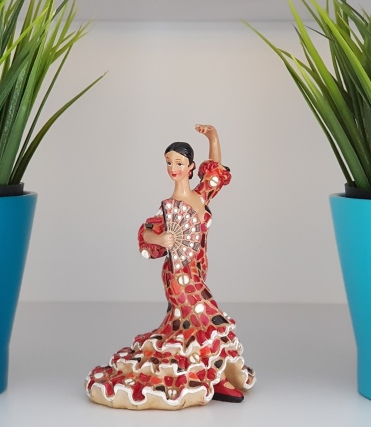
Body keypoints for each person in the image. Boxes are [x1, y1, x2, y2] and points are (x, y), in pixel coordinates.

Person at [85, 124, 256, 410]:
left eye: (178, 163)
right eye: (168, 163)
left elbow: (215, 173)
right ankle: (217, 379)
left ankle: (202, 374)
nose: (173, 168)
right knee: (208, 318)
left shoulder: (200, 196)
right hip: (177, 276)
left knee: (188, 328)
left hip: (197, 272)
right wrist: (160, 239)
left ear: (191, 167)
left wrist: (213, 138)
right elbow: (145, 233)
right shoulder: (168, 206)